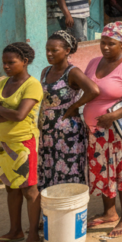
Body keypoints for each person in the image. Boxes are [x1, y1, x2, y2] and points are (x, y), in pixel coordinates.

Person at [82, 22, 122, 238]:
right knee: (103, 172)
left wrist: (112, 116)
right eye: (103, 42)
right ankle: (109, 212)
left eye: (112, 43)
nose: (106, 47)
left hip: (118, 132)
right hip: (96, 133)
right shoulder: (93, 63)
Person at [0, 43, 44, 242]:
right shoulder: (1, 85)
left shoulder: (32, 85)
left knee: (28, 189)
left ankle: (32, 234)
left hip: (23, 143)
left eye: (11, 62)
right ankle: (15, 230)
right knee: (10, 187)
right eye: (4, 63)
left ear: (25, 62)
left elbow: (21, 115)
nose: (6, 66)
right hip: (3, 143)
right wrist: (6, 112)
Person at [38, 32, 98, 193]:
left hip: (68, 131)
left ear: (67, 50)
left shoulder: (72, 72)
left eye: (54, 50)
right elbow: (43, 99)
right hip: (47, 129)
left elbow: (93, 90)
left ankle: (70, 213)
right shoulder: (45, 71)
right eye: (47, 50)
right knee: (48, 168)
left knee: (68, 169)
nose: (49, 54)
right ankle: (52, 212)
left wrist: (73, 107)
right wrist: (40, 120)